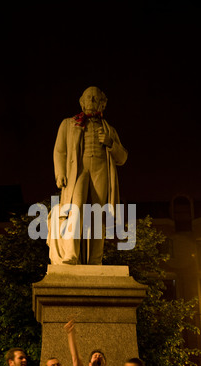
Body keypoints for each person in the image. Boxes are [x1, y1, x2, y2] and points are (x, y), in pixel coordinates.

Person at [48, 86, 128, 265]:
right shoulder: (68, 124)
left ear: (102, 104)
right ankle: (71, 254)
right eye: (88, 98)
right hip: (78, 172)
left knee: (98, 216)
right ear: (81, 102)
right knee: (74, 211)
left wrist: (110, 143)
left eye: (95, 99)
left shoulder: (109, 130)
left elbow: (122, 157)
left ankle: (95, 259)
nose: (91, 102)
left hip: (101, 171)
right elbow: (59, 150)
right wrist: (60, 172)